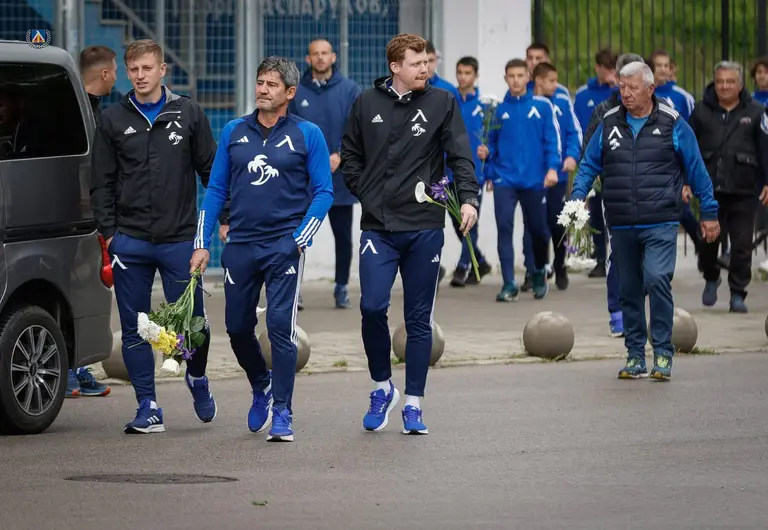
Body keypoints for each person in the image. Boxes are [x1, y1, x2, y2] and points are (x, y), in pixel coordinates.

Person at [190, 56, 334, 443]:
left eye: (271, 85)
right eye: (260, 82)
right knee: (237, 328)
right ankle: (261, 385)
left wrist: (298, 240)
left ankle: (283, 411)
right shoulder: (234, 131)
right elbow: (215, 190)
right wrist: (202, 243)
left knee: (280, 328)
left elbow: (324, 192)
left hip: (284, 245)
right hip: (240, 246)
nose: (262, 90)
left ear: (290, 92)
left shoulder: (309, 134)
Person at [341, 34, 478, 435]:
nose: (425, 69)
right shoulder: (366, 102)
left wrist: (468, 200)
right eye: (417, 63)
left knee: (419, 319)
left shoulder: (442, 102)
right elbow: (350, 156)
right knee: (371, 308)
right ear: (395, 67)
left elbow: (460, 155)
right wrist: (368, 194)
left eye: (427, 62)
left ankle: (414, 403)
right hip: (378, 228)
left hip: (424, 227)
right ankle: (382, 387)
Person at [90, 39, 217, 433]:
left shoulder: (189, 112)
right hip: (130, 242)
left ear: (163, 70)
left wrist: (215, 228)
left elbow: (211, 174)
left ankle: (197, 376)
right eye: (134, 70)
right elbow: (100, 182)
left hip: (179, 240)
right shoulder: (112, 119)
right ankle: (148, 406)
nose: (140, 76)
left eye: (147, 68)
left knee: (192, 326)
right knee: (136, 327)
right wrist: (111, 236)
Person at [571, 61, 720, 381]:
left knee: (656, 279)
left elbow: (696, 168)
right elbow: (588, 164)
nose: (626, 93)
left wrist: (708, 212)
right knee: (629, 289)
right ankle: (635, 355)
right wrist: (577, 196)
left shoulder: (672, 122)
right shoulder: (609, 122)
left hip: (661, 220)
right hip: (621, 221)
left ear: (650, 89)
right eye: (622, 87)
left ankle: (663, 351)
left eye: (633, 88)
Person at [583, 52, 702, 338]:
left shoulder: (667, 112)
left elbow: (686, 156)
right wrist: (586, 186)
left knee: (652, 270)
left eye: (632, 82)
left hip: (657, 205)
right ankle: (618, 314)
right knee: (619, 261)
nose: (626, 89)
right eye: (622, 81)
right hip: (618, 199)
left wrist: (687, 186)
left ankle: (652, 329)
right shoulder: (604, 112)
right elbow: (590, 150)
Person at [477, 58, 561, 302]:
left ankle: (538, 272)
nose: (515, 80)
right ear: (506, 79)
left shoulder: (543, 106)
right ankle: (508, 283)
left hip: (535, 180)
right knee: (504, 228)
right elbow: (491, 144)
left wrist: (552, 169)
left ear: (528, 78)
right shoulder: (497, 110)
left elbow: (552, 140)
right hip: (505, 179)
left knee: (538, 230)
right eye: (511, 76)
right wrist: (488, 164)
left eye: (520, 75)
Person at [690, 61, 768, 313]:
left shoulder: (757, 112)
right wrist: (685, 181)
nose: (724, 86)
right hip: (709, 190)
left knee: (742, 246)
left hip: (744, 190)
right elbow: (688, 149)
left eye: (730, 81)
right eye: (720, 81)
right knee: (707, 243)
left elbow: (765, 150)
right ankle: (711, 275)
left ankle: (737, 293)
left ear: (740, 84)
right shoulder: (700, 111)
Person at [288, 38, 361, 309]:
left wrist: (340, 153)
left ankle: (341, 287)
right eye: (315, 54)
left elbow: (357, 130)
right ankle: (294, 288)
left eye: (325, 53)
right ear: (308, 59)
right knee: (297, 236)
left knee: (343, 237)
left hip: (338, 180)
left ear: (333, 57)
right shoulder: (296, 92)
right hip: (303, 180)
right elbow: (289, 128)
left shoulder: (350, 90)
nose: (320, 58)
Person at [66, 45, 118, 398]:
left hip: (92, 215)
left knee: (86, 290)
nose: (117, 77)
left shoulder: (96, 111)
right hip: (72, 216)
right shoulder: (75, 111)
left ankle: (78, 366)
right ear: (104, 73)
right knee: (72, 287)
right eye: (115, 70)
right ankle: (68, 369)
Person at [523, 62, 582, 290]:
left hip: (557, 174)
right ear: (538, 80)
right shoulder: (526, 101)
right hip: (532, 176)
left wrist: (572, 156)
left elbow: (573, 132)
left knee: (556, 222)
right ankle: (536, 269)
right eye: (552, 80)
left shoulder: (562, 101)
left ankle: (560, 263)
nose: (556, 85)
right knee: (533, 225)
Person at [572, 48, 619, 281]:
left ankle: (618, 257)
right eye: (605, 68)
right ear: (597, 68)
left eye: (613, 69)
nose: (609, 73)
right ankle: (600, 258)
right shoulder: (583, 94)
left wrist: (616, 86)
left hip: (614, 162)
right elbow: (580, 127)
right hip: (592, 160)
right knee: (596, 213)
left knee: (615, 213)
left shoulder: (620, 92)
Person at [448, 55, 492, 287]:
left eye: (467, 73)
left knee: (469, 220)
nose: (463, 77)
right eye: (460, 72)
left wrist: (489, 156)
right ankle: (480, 262)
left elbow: (494, 138)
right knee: (457, 222)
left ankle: (463, 266)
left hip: (474, 173)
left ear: (476, 76)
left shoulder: (486, 106)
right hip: (448, 171)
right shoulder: (448, 100)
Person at [647, 50, 695, 121]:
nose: (663, 69)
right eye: (659, 65)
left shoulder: (683, 97)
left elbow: (690, 125)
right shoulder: (642, 93)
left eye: (666, 66)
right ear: (650, 68)